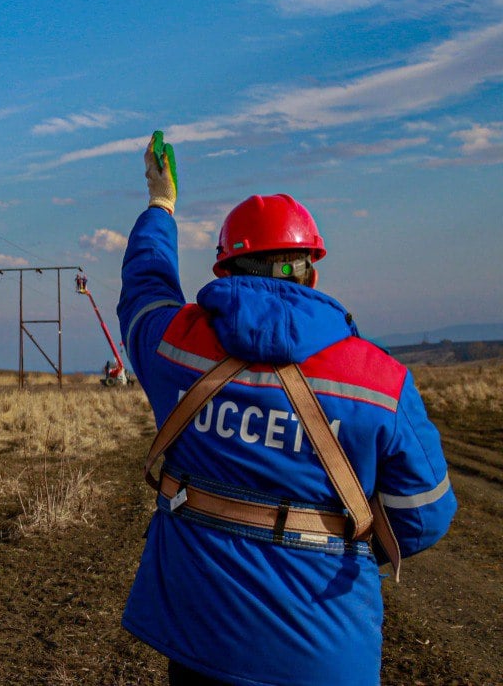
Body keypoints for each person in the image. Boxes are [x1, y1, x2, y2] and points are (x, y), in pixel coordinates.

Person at [116, 134, 456, 686]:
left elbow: (143, 289)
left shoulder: (175, 347)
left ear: (225, 272)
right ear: (312, 273)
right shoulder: (381, 382)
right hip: (325, 654)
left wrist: (161, 203)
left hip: (200, 643)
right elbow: (423, 515)